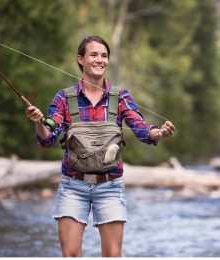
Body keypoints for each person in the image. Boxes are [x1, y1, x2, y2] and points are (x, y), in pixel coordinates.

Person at [26, 35, 175, 257]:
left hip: (110, 186)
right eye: (93, 54)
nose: (100, 60)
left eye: (104, 55)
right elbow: (47, 138)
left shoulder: (120, 96)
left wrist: (159, 132)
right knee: (71, 255)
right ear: (80, 59)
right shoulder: (64, 98)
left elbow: (141, 128)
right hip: (72, 186)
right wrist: (39, 122)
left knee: (113, 256)